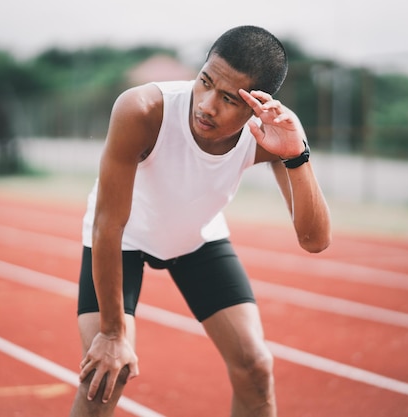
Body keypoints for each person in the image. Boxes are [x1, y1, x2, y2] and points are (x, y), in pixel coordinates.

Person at [69, 25, 331, 417]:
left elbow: (314, 240)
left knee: (256, 367)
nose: (207, 105)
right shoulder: (143, 110)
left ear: (257, 103)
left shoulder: (271, 132)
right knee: (107, 374)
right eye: (205, 81)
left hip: (197, 239)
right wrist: (111, 334)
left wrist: (295, 156)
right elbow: (109, 224)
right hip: (124, 238)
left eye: (228, 98)